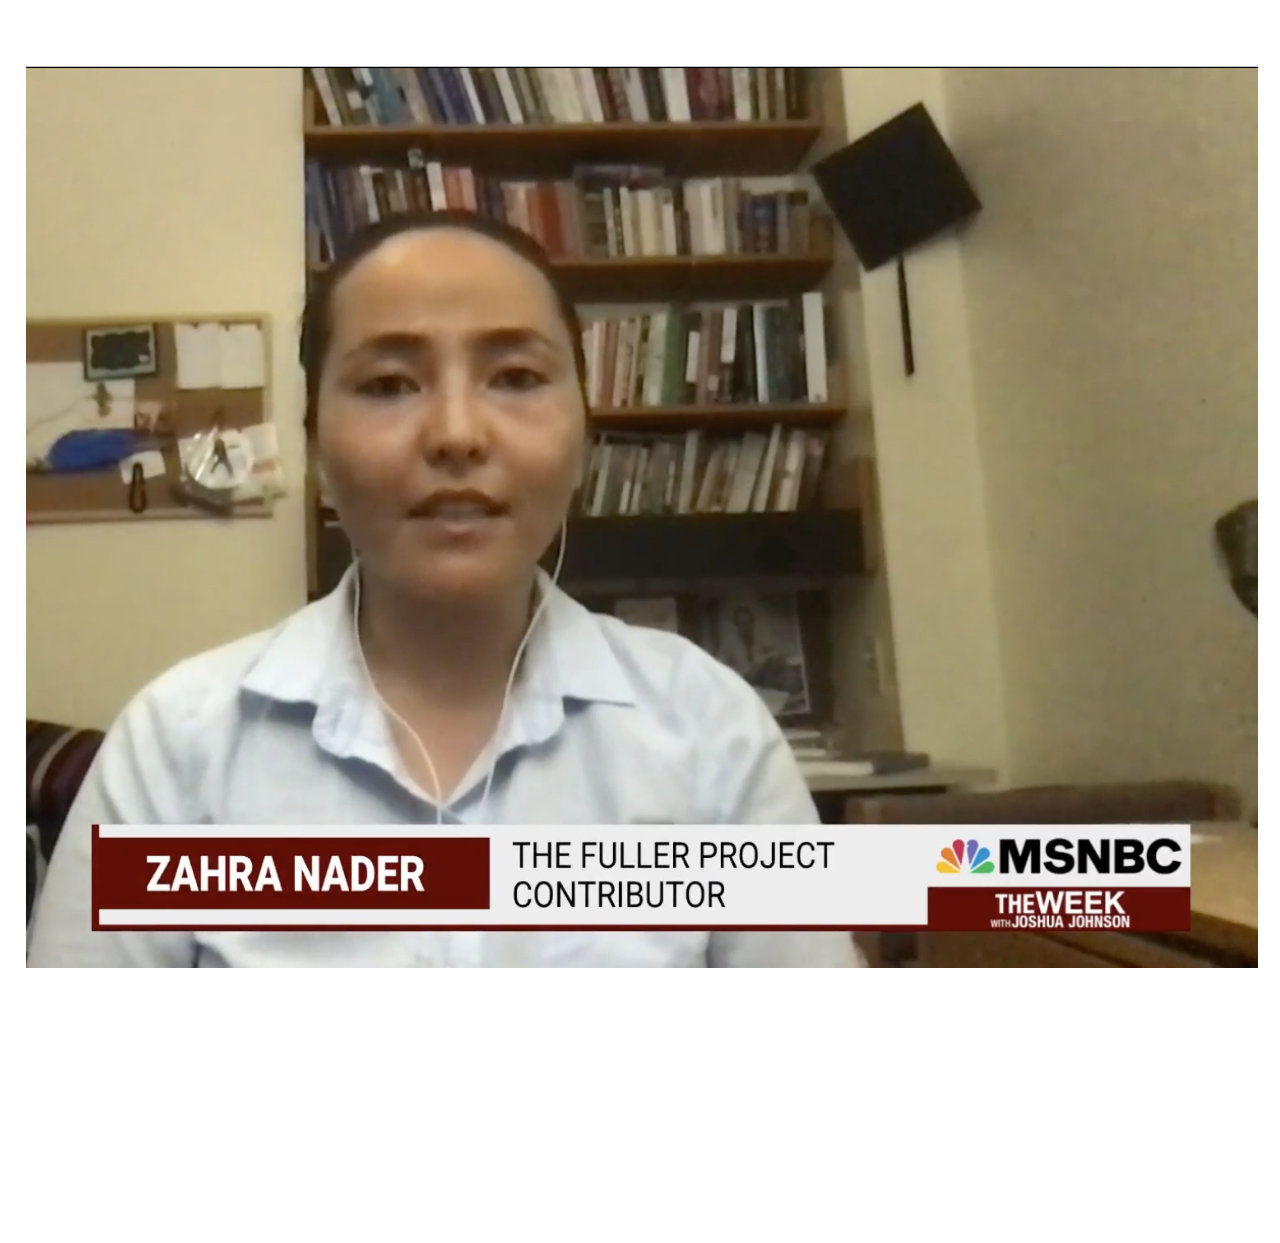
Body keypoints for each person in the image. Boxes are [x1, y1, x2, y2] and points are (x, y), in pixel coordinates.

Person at [28, 211, 859, 968]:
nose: (457, 435)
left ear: (584, 435)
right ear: (317, 447)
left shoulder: (709, 730)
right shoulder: (177, 742)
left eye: (516, 377)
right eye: (390, 384)